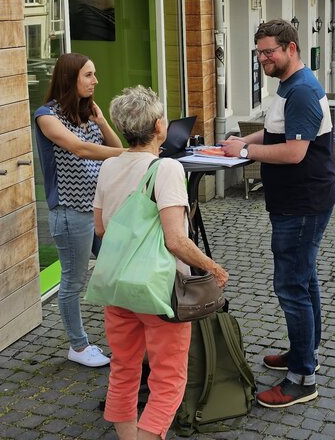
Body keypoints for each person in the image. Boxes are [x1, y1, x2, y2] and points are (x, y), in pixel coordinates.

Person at [93, 86, 229, 440]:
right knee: (168, 377)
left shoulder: (108, 166)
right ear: (159, 127)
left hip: (118, 286)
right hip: (160, 291)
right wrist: (213, 268)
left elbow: (101, 228)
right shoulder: (166, 168)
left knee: (124, 369)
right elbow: (176, 241)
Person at [221, 20, 335, 409]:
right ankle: (304, 352)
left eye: (269, 51)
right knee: (305, 282)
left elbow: (293, 152)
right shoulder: (290, 86)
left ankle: (302, 377)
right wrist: (242, 140)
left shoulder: (301, 90)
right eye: (259, 53)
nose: (263, 58)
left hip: (302, 204)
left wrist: (244, 153)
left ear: (290, 48)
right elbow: (276, 135)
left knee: (291, 286)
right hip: (299, 201)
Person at [34, 53, 126, 367]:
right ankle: (78, 346)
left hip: (98, 208)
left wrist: (101, 121)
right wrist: (131, 154)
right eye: (89, 75)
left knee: (117, 268)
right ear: (71, 77)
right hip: (70, 212)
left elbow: (111, 148)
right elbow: (80, 148)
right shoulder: (46, 116)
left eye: (94, 74)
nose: (95, 81)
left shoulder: (86, 114)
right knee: (73, 282)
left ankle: (125, 335)